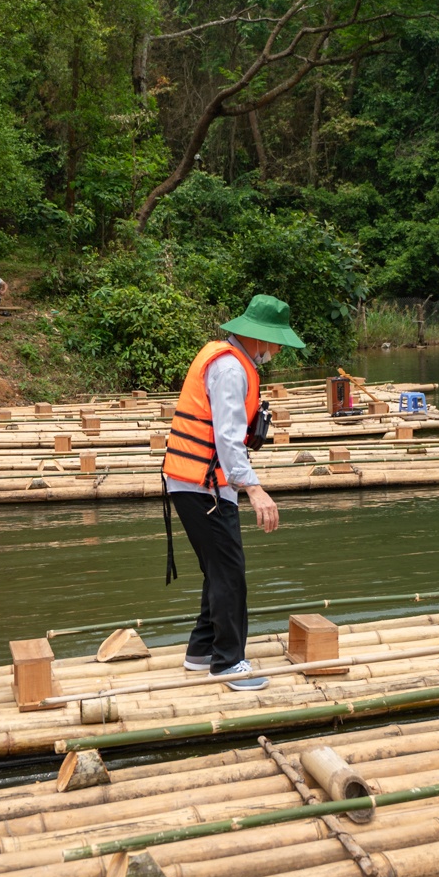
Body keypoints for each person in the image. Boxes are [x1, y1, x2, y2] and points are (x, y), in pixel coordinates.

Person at [161, 295, 307, 691]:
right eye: (277, 343)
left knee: (219, 569)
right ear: (259, 338)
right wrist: (255, 489)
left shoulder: (230, 359)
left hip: (199, 482)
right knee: (229, 573)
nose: (278, 351)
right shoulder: (229, 368)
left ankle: (202, 651)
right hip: (202, 485)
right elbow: (227, 438)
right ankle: (227, 662)